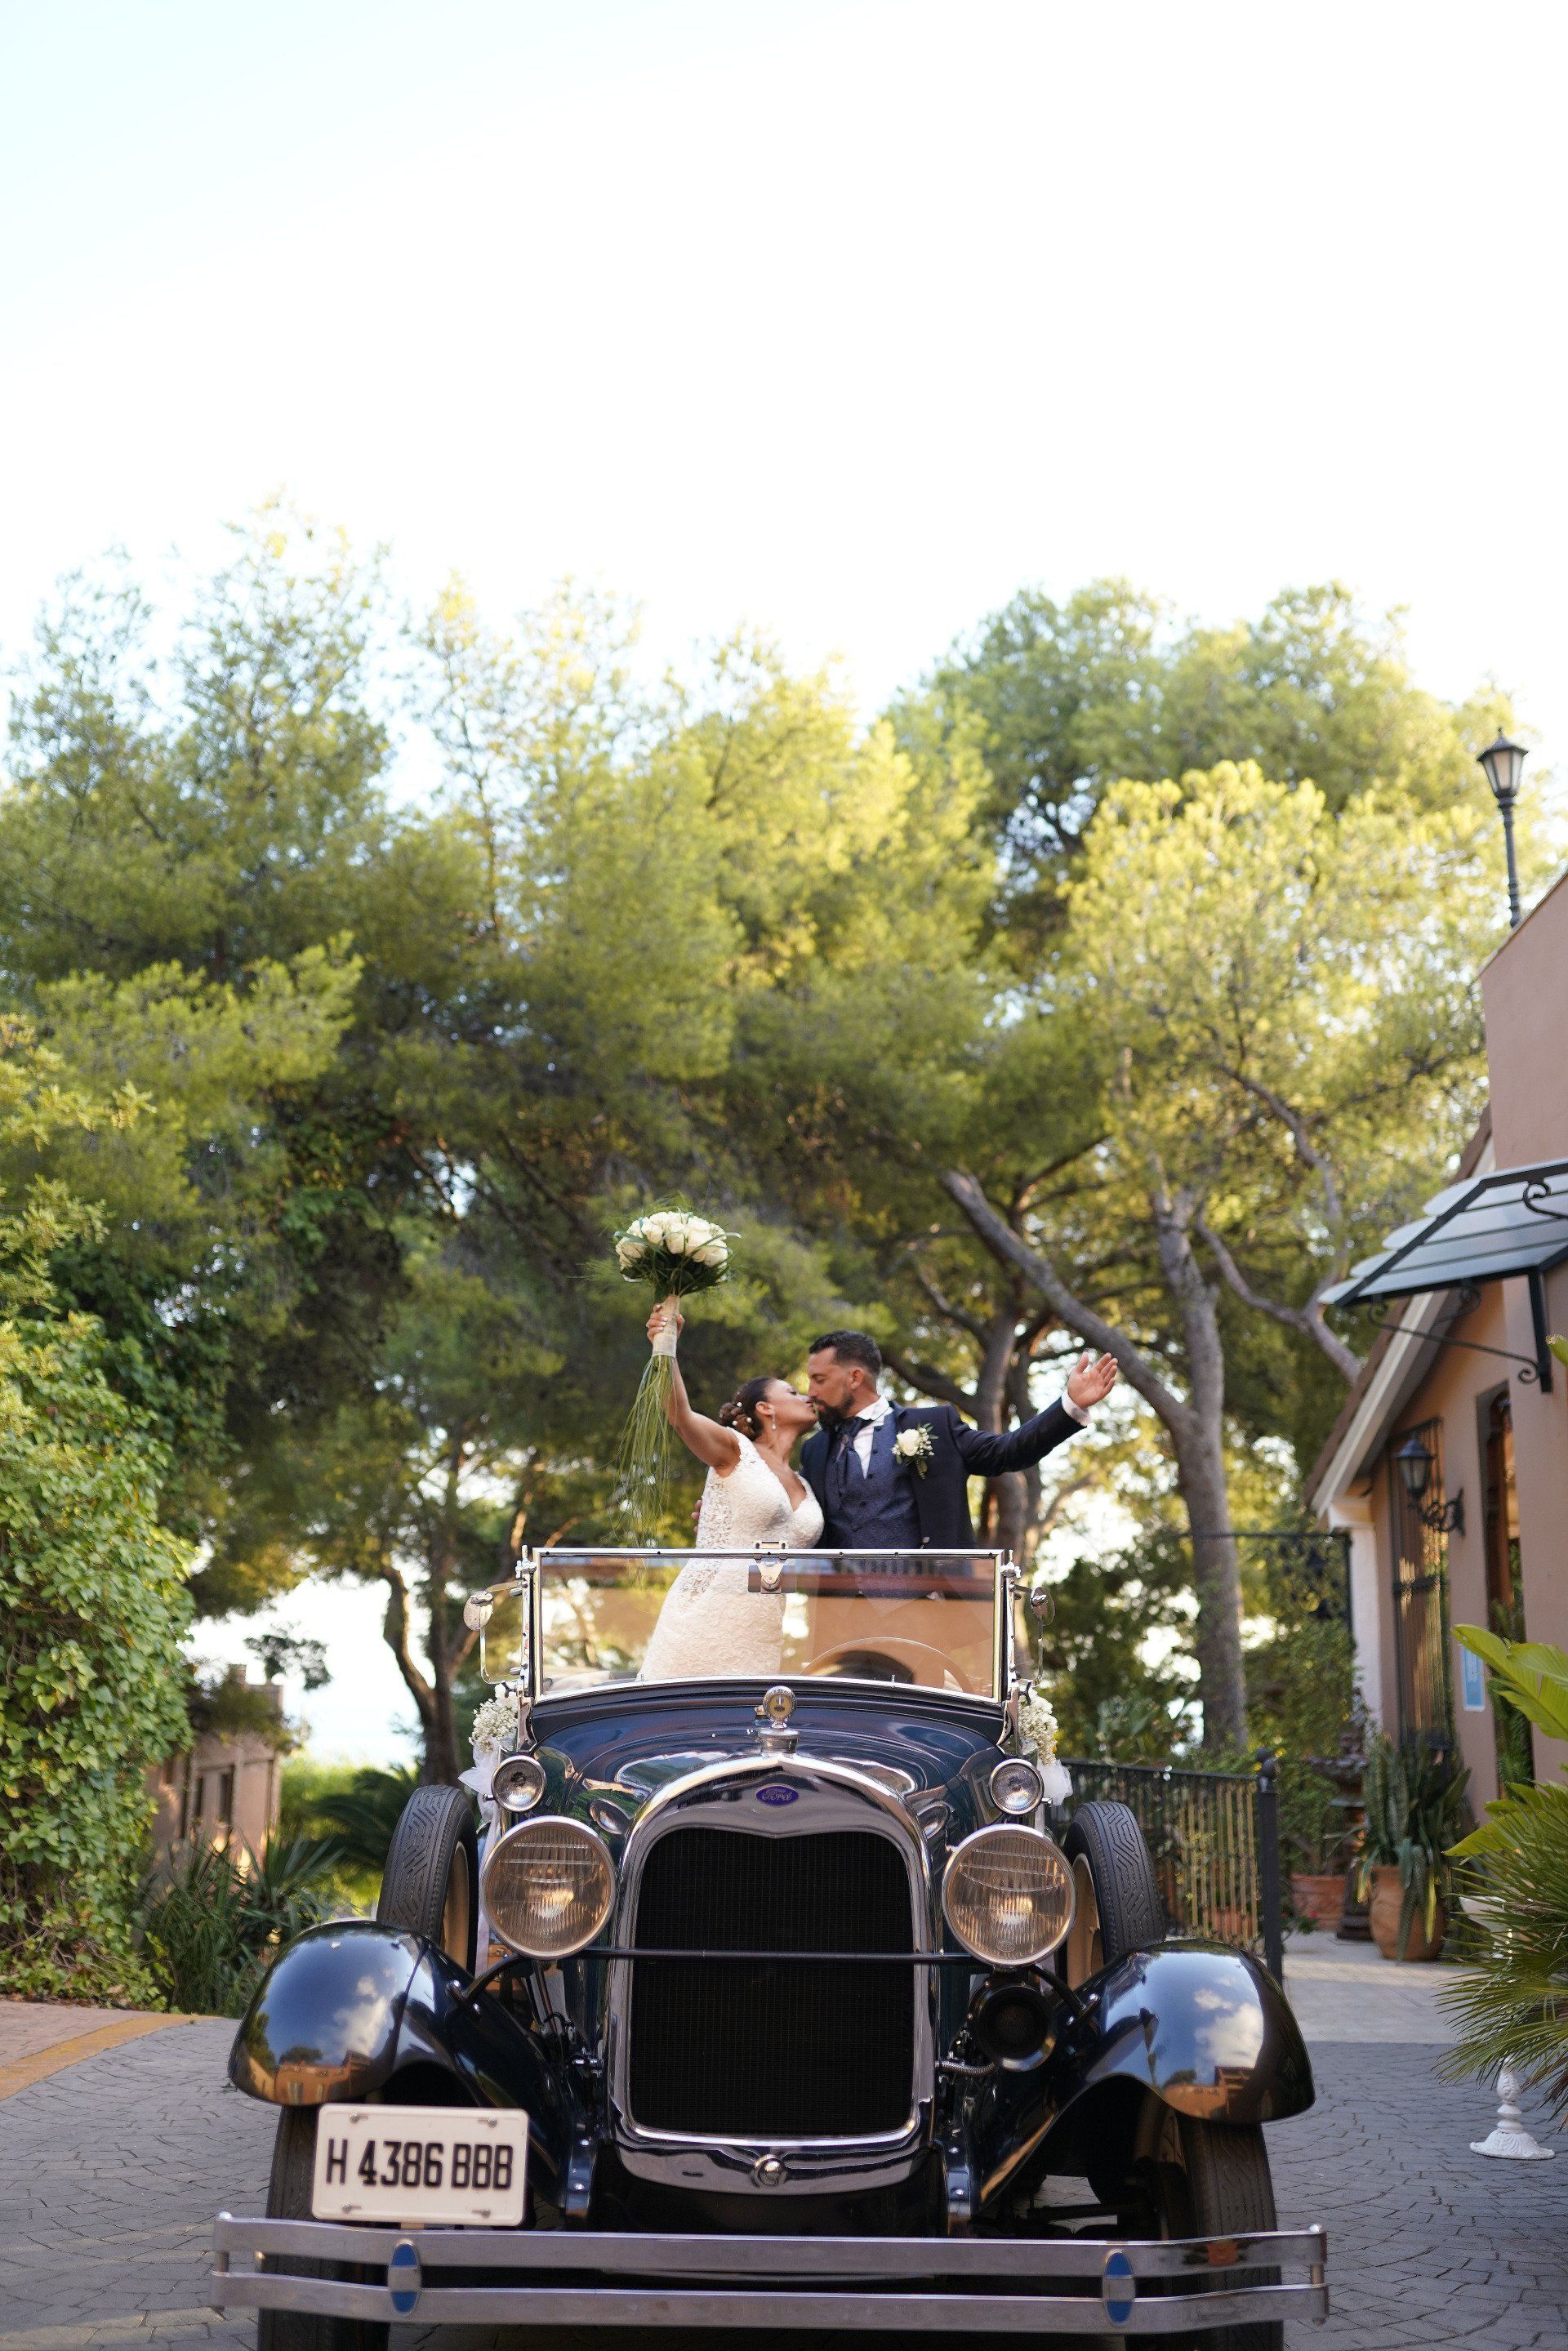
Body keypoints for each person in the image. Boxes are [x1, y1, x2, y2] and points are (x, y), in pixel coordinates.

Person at [800, 1328, 1118, 1552]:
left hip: (928, 1607)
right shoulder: (814, 1450)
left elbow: (1007, 1452)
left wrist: (1070, 1405)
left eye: (819, 1379)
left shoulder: (934, 1425)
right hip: (837, 1612)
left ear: (855, 1378)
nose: (811, 1392)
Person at [639, 1306, 822, 1680]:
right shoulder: (734, 1450)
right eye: (793, 1391)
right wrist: (665, 1343)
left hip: (763, 1629)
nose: (807, 1397)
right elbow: (679, 1415)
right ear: (765, 1407)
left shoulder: (805, 1483)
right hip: (705, 1613)